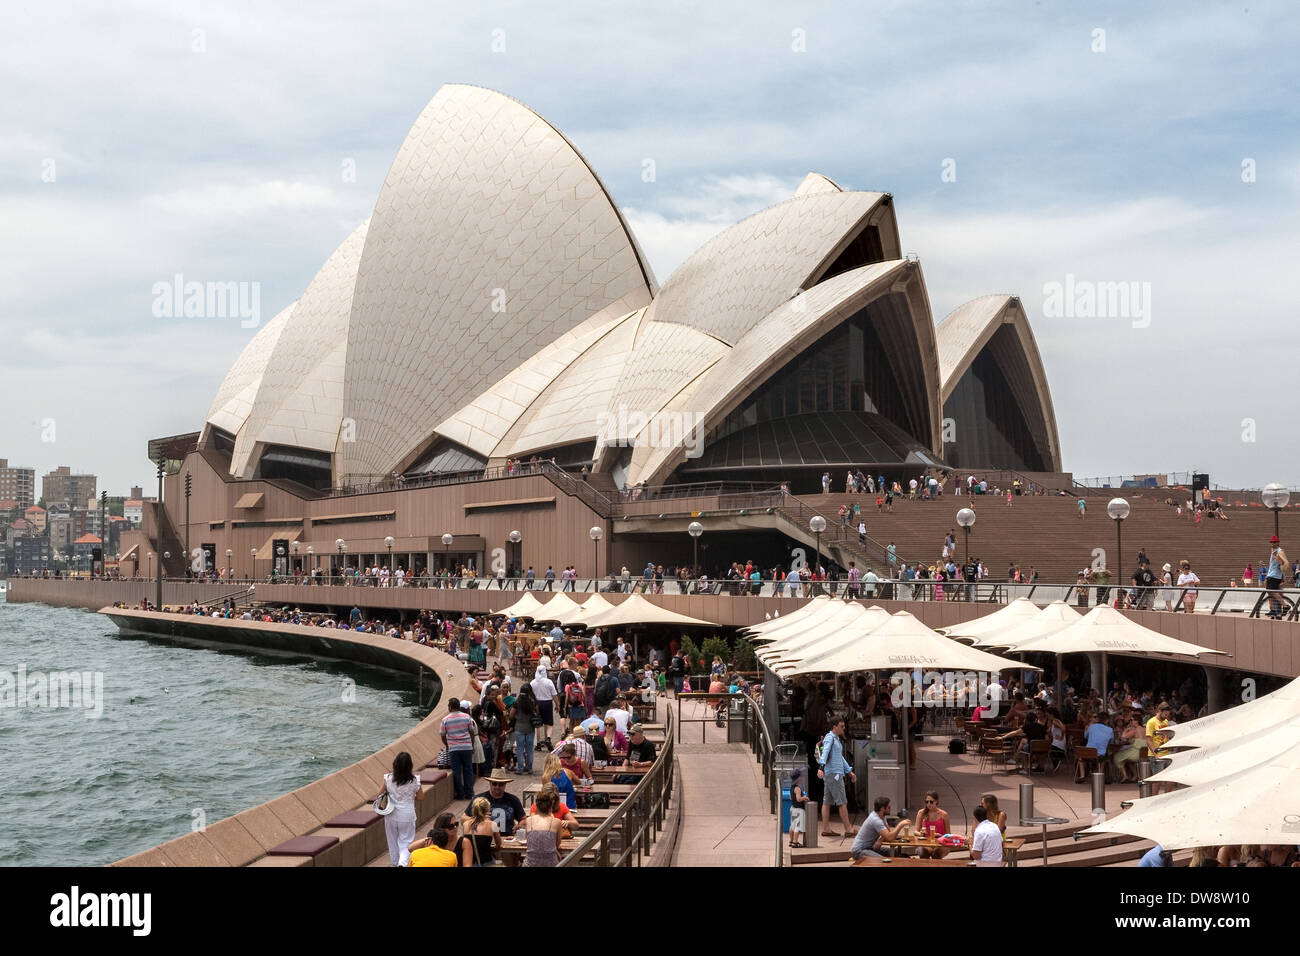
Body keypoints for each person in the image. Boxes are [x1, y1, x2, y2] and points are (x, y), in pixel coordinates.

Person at [377, 751, 424, 866]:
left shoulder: (388, 778)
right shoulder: (414, 780)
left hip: (391, 814)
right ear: (410, 766)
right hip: (407, 814)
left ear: (395, 764)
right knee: (406, 842)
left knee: (392, 842)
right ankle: (402, 863)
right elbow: (421, 797)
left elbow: (379, 794)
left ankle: (395, 863)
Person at [817, 717, 857, 838]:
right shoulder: (830, 738)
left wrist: (849, 771)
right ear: (834, 727)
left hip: (833, 773)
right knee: (842, 801)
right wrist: (821, 767)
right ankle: (848, 828)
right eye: (841, 726)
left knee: (827, 801)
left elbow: (839, 757)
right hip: (834, 774)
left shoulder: (835, 739)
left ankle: (826, 828)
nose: (843, 728)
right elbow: (825, 752)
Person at [464, 767, 525, 836]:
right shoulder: (479, 799)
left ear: (505, 784)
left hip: (507, 838)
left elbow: (523, 819)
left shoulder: (513, 799)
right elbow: (464, 818)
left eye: (501, 784)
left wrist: (518, 826)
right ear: (490, 783)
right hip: (485, 838)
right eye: (494, 783)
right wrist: (478, 819)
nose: (497, 787)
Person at [440, 699, 478, 801]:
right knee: (468, 770)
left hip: (454, 749)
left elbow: (443, 735)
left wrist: (448, 745)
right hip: (467, 747)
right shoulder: (467, 717)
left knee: (456, 771)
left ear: (450, 707)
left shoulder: (445, 719)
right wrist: (472, 745)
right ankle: (469, 793)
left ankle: (460, 794)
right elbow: (471, 732)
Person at [850, 796, 910, 860]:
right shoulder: (876, 820)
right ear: (882, 808)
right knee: (884, 861)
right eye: (888, 807)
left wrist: (880, 840)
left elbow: (888, 832)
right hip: (859, 850)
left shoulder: (881, 816)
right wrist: (900, 824)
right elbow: (890, 837)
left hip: (870, 847)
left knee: (894, 853)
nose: (891, 808)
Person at [517, 787, 565, 867]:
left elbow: (529, 842)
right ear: (551, 807)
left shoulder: (529, 821)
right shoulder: (556, 822)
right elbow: (557, 844)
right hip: (551, 864)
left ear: (536, 806)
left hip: (530, 864)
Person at [459, 796, 503, 866]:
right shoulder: (493, 825)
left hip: (470, 863)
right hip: (487, 862)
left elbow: (465, 845)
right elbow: (499, 845)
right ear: (487, 810)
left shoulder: (465, 824)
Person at [1078, 710, 1115, 783]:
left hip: (1088, 754)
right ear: (1107, 720)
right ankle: (1100, 774)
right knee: (1104, 756)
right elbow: (1111, 742)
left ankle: (1082, 775)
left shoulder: (1091, 727)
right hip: (1100, 756)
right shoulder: (1110, 730)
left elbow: (1085, 736)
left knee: (1080, 758)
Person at [511, 683, 539, 773]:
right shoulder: (533, 701)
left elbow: (511, 714)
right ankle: (529, 767)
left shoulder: (517, 701)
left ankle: (520, 768)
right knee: (529, 749)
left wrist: (517, 717)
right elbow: (537, 712)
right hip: (530, 727)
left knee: (519, 749)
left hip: (519, 727)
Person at [915, 791, 952, 859]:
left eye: (931, 802)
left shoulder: (944, 814)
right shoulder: (921, 813)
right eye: (927, 802)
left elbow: (949, 834)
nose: (929, 804)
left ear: (936, 802)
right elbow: (915, 831)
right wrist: (921, 834)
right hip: (927, 843)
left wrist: (940, 835)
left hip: (940, 843)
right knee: (924, 852)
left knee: (936, 854)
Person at [530, 665, 557, 751]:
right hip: (547, 702)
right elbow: (554, 694)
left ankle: (538, 743)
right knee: (549, 723)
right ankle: (548, 738)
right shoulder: (548, 682)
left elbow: (531, 695)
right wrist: (557, 704)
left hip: (537, 703)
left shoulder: (533, 682)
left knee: (537, 724)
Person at [1266, 535, 1289, 618]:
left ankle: (1285, 606)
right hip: (1271, 575)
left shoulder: (1279, 551)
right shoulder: (1274, 550)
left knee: (1273, 592)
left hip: (1275, 576)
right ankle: (1273, 610)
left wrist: (1275, 557)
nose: (1272, 544)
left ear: (1278, 543)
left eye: (1274, 542)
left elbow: (1283, 563)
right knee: (1269, 591)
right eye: (1271, 542)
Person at [788, 769, 808, 849]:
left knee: (792, 826)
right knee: (797, 826)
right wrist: (805, 797)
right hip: (799, 810)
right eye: (801, 777)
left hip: (793, 808)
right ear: (798, 779)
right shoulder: (798, 788)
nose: (802, 778)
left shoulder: (792, 787)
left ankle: (791, 840)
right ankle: (795, 842)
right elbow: (798, 799)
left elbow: (790, 797)